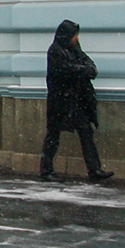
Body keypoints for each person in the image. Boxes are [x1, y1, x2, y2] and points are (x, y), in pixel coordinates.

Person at [41, 19, 112, 182]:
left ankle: (94, 169)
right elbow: (66, 70)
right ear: (67, 35)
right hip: (60, 101)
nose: (77, 38)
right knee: (53, 134)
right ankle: (46, 171)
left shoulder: (74, 50)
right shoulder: (55, 51)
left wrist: (86, 69)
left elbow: (87, 63)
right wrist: (84, 70)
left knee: (86, 132)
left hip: (76, 100)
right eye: (75, 35)